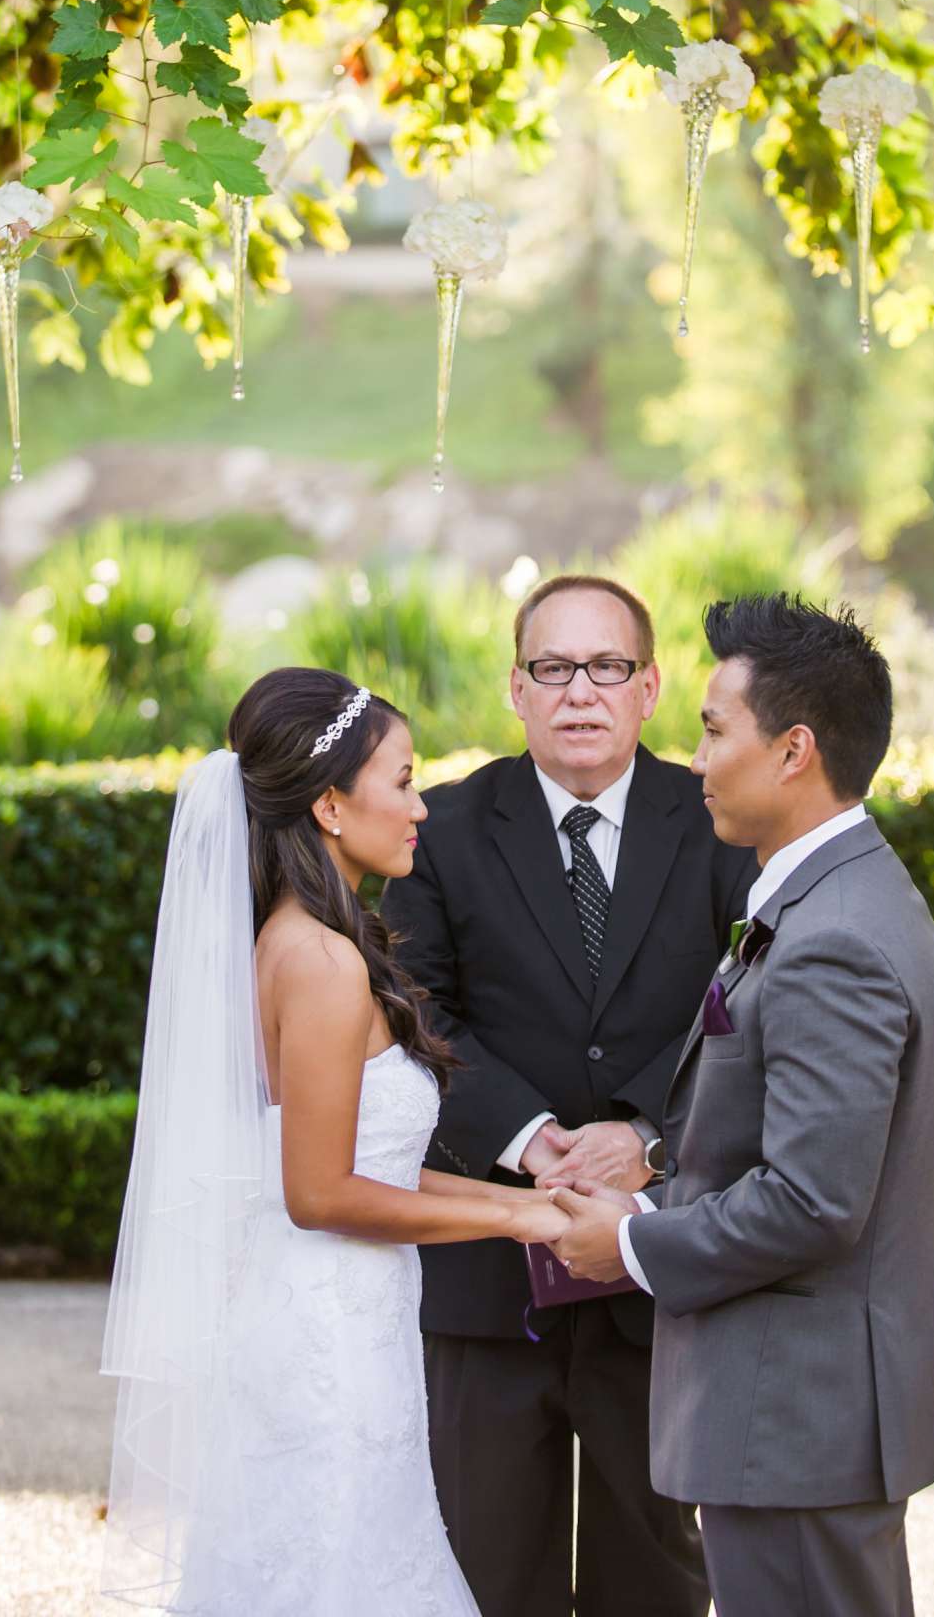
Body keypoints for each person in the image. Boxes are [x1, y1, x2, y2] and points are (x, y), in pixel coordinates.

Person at [101, 666, 567, 1617]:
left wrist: (525, 1205)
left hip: (348, 1318)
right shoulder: (318, 960)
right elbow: (318, 1194)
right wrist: (512, 1220)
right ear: (327, 805)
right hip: (324, 1341)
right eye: (402, 781)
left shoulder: (304, 939)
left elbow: (373, 1171)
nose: (422, 808)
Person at [553, 595, 934, 1617]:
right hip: (794, 1423)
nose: (693, 761)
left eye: (712, 730)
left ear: (794, 751)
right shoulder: (832, 896)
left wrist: (633, 1247)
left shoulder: (835, 936)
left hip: (797, 1423)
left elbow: (816, 1200)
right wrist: (647, 1183)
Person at [381, 573, 755, 1617]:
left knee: (659, 1575)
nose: (579, 691)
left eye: (607, 667)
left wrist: (645, 1128)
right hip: (489, 1279)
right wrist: (534, 1136)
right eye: (553, 667)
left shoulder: (719, 818)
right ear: (516, 686)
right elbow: (413, 1007)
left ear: (649, 688)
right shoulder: (445, 828)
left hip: (658, 1271)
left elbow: (750, 994)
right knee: (489, 1569)